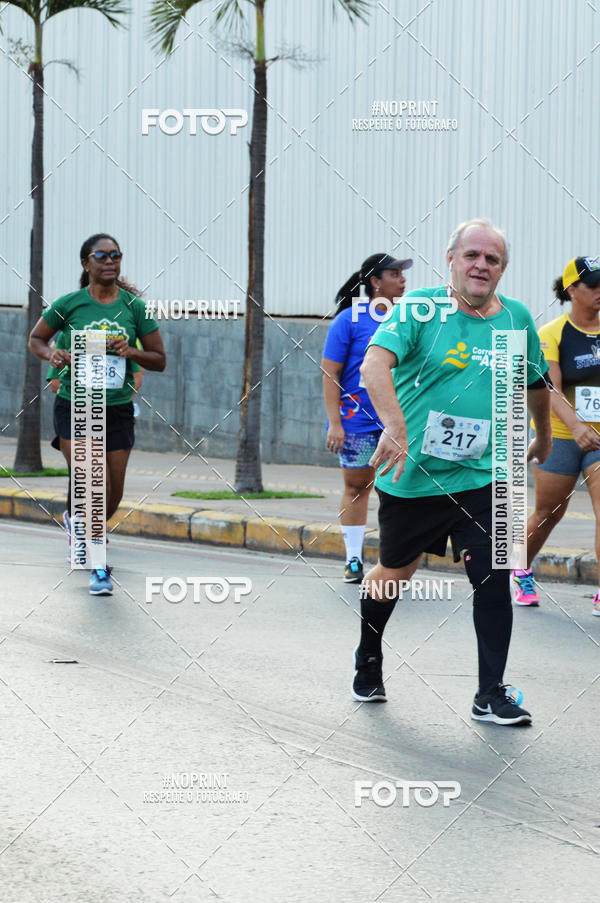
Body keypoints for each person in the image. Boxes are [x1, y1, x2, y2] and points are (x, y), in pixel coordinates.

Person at [354, 218, 552, 725]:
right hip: (415, 475)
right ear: (452, 260)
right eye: (472, 255)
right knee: (394, 572)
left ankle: (491, 693)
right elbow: (374, 364)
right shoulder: (422, 307)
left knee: (494, 578)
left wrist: (545, 435)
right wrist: (395, 425)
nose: (481, 265)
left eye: (492, 259)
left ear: (502, 269)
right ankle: (369, 654)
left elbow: (536, 380)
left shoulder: (516, 318)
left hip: (487, 476)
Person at [29, 233, 165, 595]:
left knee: (113, 491)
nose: (110, 261)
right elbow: (37, 339)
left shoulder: (134, 307)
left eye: (116, 255)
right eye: (101, 256)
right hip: (75, 404)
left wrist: (131, 353)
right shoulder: (69, 304)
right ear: (86, 263)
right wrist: (52, 356)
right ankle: (97, 564)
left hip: (117, 408)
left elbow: (159, 360)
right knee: (92, 481)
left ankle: (82, 526)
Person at [514, 257, 600, 615]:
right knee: (549, 512)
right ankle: (519, 569)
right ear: (571, 291)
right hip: (562, 437)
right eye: (593, 286)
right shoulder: (551, 333)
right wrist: (578, 428)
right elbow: (549, 388)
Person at [322, 253, 412, 582]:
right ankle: (354, 559)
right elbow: (330, 372)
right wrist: (335, 422)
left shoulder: (411, 318)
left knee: (400, 491)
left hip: (401, 423)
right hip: (358, 422)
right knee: (358, 487)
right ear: (375, 282)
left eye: (402, 273)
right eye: (394, 273)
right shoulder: (349, 320)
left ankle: (392, 560)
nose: (402, 279)